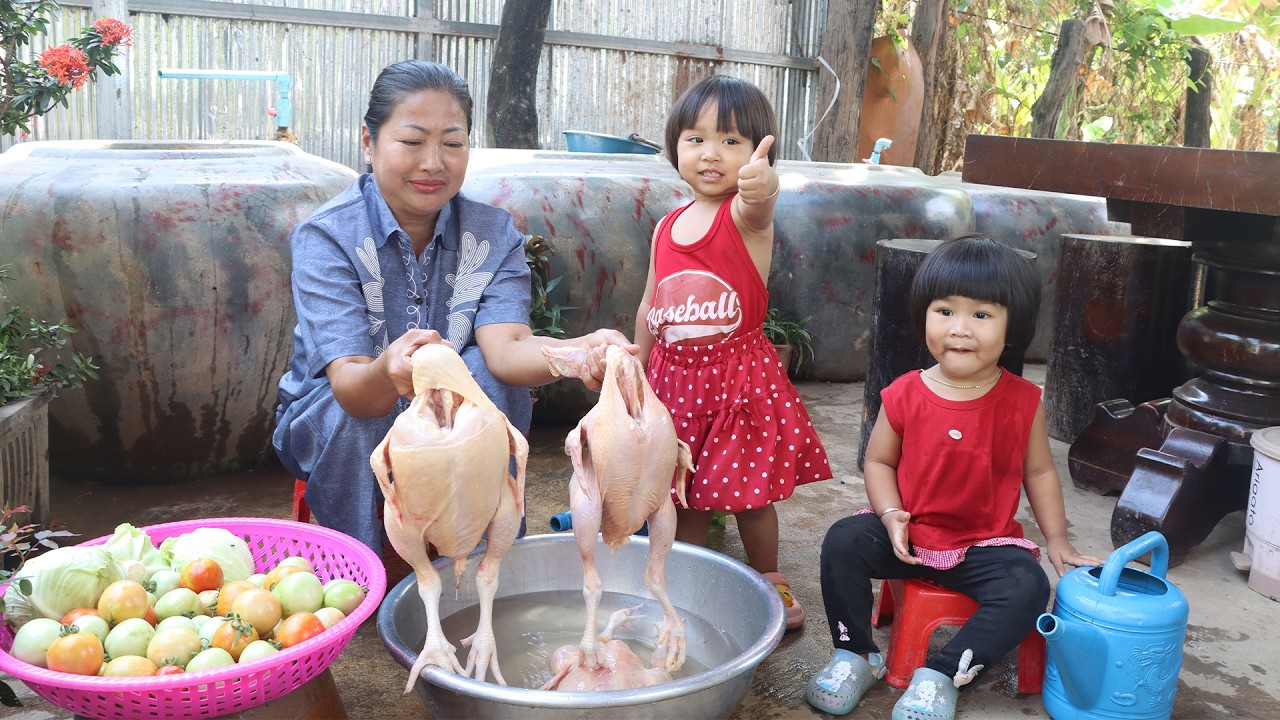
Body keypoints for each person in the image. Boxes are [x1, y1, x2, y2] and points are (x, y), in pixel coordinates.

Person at [273, 60, 634, 554]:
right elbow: (355, 390)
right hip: (338, 413)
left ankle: (489, 558)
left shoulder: (494, 233)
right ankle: (367, 566)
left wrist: (579, 352)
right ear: (368, 141)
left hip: (452, 408)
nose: (433, 163)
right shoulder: (327, 237)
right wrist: (389, 370)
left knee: (487, 375)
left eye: (452, 143)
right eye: (412, 141)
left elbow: (507, 350)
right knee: (367, 415)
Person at [805, 235, 1104, 718]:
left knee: (1028, 586)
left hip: (983, 547)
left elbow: (1039, 471)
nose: (959, 329)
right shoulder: (904, 393)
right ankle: (856, 654)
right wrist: (890, 513)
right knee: (843, 540)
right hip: (908, 537)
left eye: (981, 315)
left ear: (1013, 327)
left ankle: (941, 674)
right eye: (944, 311)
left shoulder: (1023, 401)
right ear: (924, 315)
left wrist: (1058, 540)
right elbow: (879, 462)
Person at [634, 75, 832, 632]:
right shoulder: (666, 226)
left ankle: (770, 576)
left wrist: (763, 185)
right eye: (696, 139)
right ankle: (689, 580)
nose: (711, 153)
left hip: (736, 383)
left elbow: (760, 204)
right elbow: (650, 302)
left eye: (731, 141)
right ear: (675, 147)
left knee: (750, 495)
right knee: (687, 493)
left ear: (755, 151)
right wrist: (635, 366)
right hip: (674, 384)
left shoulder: (745, 219)